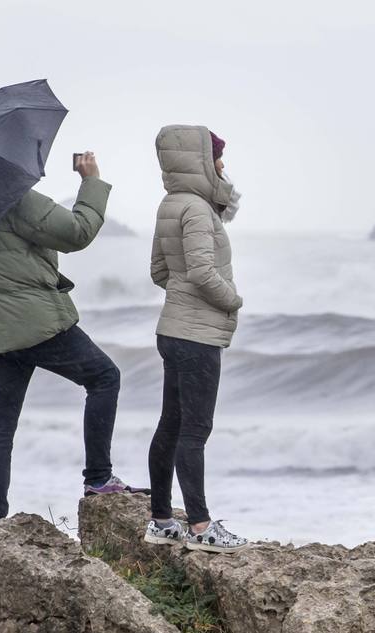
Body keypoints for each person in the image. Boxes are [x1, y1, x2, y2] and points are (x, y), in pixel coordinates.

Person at [0, 151, 139, 532]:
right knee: (104, 378)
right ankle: (98, 479)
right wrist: (91, 180)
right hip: (35, 322)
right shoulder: (8, 195)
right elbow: (77, 232)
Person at [144, 126, 248, 553]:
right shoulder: (199, 211)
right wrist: (232, 301)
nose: (223, 167)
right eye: (218, 159)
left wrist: (183, 296)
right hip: (196, 336)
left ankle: (162, 521)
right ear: (201, 161)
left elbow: (159, 272)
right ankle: (202, 528)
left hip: (173, 330)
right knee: (195, 429)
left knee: (171, 425)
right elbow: (204, 272)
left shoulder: (171, 204)